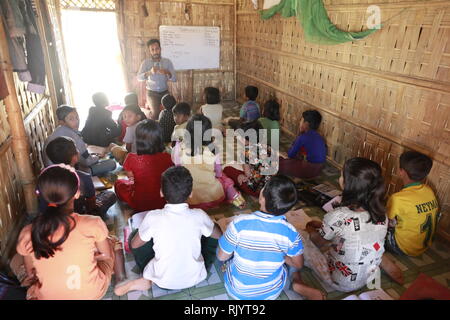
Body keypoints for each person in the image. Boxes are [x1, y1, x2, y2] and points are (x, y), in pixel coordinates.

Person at [12, 165, 125, 300]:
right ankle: (121, 279)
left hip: (48, 297)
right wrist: (86, 256)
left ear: (40, 194)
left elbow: (31, 273)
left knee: (16, 259)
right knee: (112, 241)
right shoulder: (93, 223)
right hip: (91, 293)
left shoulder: (28, 231)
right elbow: (105, 254)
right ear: (77, 193)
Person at [114, 166, 222, 295]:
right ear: (191, 193)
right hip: (196, 277)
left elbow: (134, 245)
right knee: (210, 230)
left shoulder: (153, 217)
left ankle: (147, 278)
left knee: (134, 237)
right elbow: (219, 235)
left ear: (161, 192)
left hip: (162, 280)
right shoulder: (199, 215)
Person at [217, 175, 320, 300]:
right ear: (289, 207)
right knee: (292, 259)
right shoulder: (291, 232)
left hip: (238, 292)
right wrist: (281, 255)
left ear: (261, 197)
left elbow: (222, 256)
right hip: (272, 293)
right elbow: (298, 264)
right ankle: (295, 282)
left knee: (221, 248)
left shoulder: (239, 223)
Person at [302, 158, 389, 293]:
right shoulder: (382, 214)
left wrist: (309, 229)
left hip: (341, 282)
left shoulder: (338, 216)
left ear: (348, 184)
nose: (339, 177)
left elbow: (317, 241)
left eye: (342, 175)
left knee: (300, 238)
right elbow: (355, 230)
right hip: (369, 277)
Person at [172, 114, 245, 209]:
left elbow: (177, 168)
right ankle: (235, 197)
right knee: (224, 178)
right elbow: (218, 173)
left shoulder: (179, 147)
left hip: (188, 198)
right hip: (214, 196)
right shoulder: (213, 149)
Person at [386, 151, 439, 257]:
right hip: (424, 245)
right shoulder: (429, 190)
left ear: (402, 172)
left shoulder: (397, 198)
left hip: (403, 248)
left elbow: (386, 221)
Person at [114, 119, 174, 212]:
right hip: (163, 202)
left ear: (138, 139)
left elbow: (131, 180)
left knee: (118, 184)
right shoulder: (168, 157)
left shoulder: (131, 158)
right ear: (160, 138)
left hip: (140, 203)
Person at [43, 105, 116, 176]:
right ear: (62, 122)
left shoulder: (55, 132)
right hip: (71, 174)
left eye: (77, 117)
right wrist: (98, 157)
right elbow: (87, 162)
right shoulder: (73, 136)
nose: (76, 121)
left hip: (51, 173)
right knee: (111, 163)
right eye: (71, 119)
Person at [223, 120, 277, 198]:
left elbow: (247, 174)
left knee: (228, 169)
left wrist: (243, 177)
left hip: (256, 191)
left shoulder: (246, 152)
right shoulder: (269, 148)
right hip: (271, 188)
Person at [278, 109, 327, 179]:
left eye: (301, 120)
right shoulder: (320, 137)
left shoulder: (303, 137)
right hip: (319, 170)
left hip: (307, 170)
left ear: (306, 124)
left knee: (279, 161)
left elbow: (290, 155)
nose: (299, 122)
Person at [137, 39, 176, 120]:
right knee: (155, 114)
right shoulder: (145, 63)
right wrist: (149, 73)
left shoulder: (167, 62)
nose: (155, 52)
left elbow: (174, 79)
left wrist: (167, 72)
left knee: (172, 111)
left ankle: (168, 129)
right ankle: (146, 113)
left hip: (165, 91)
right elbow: (139, 78)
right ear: (150, 51)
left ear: (160, 49)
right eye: (152, 49)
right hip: (152, 93)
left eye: (157, 49)